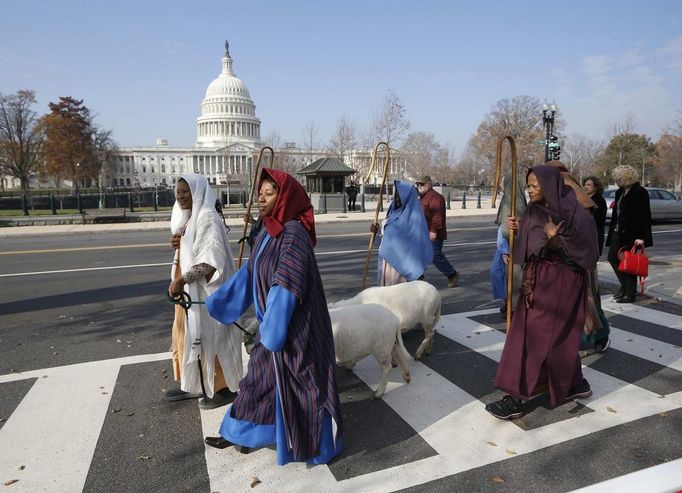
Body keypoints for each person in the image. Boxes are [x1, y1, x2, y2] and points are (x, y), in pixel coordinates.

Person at [204, 168, 343, 465]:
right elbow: (252, 272)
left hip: (296, 329)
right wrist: (223, 302)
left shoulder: (294, 234)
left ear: (285, 197)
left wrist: (273, 329)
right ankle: (241, 433)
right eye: (260, 194)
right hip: (274, 325)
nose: (262, 199)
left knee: (305, 387)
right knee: (260, 381)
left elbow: (287, 283)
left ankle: (319, 446)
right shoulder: (269, 230)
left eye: (270, 194)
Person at [485, 165, 599, 420]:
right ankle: (574, 383)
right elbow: (529, 244)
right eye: (529, 186)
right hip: (537, 282)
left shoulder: (575, 213)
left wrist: (556, 240)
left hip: (563, 284)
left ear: (549, 186)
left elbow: (585, 256)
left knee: (536, 338)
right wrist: (516, 228)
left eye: (535, 186)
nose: (531, 190)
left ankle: (514, 397)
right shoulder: (534, 210)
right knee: (551, 337)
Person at [166, 174, 243, 410]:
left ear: (197, 192)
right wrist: (180, 243)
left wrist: (182, 280)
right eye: (178, 192)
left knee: (215, 338)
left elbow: (210, 263)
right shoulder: (189, 218)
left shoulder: (207, 217)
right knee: (193, 338)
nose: (181, 196)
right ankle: (199, 384)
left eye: (186, 191)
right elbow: (191, 247)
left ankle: (225, 387)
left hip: (210, 293)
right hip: (192, 293)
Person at [605, 165, 653, 304]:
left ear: (626, 177)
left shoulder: (640, 192)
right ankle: (625, 288)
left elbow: (644, 216)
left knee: (628, 262)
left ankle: (629, 293)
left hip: (632, 234)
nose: (616, 180)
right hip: (617, 231)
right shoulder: (620, 192)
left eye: (618, 178)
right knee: (612, 258)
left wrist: (641, 237)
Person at [376, 180, 433, 286]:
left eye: (400, 196)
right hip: (389, 261)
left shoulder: (414, 218)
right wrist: (377, 230)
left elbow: (412, 244)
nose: (397, 199)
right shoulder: (393, 212)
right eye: (396, 196)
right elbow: (385, 234)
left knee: (399, 293)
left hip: (401, 265)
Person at [490, 172, 527, 315]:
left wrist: (505, 250)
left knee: (509, 277)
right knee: (501, 274)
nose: (500, 186)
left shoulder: (511, 200)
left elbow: (506, 229)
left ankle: (512, 307)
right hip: (506, 245)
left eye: (502, 182)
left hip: (509, 246)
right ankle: (508, 302)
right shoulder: (513, 198)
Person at [582, 175, 610, 352]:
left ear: (596, 186)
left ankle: (600, 334)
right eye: (584, 184)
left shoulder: (597, 201)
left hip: (590, 248)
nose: (586, 186)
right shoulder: (580, 200)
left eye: (589, 184)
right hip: (579, 250)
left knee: (590, 295)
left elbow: (596, 223)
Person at [416, 175, 459, 287]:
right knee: (419, 254)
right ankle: (418, 277)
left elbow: (437, 215)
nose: (419, 186)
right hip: (423, 232)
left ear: (429, 184)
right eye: (418, 184)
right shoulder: (422, 197)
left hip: (433, 233)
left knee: (435, 256)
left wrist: (433, 230)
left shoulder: (435, 197)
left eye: (422, 184)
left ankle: (452, 274)